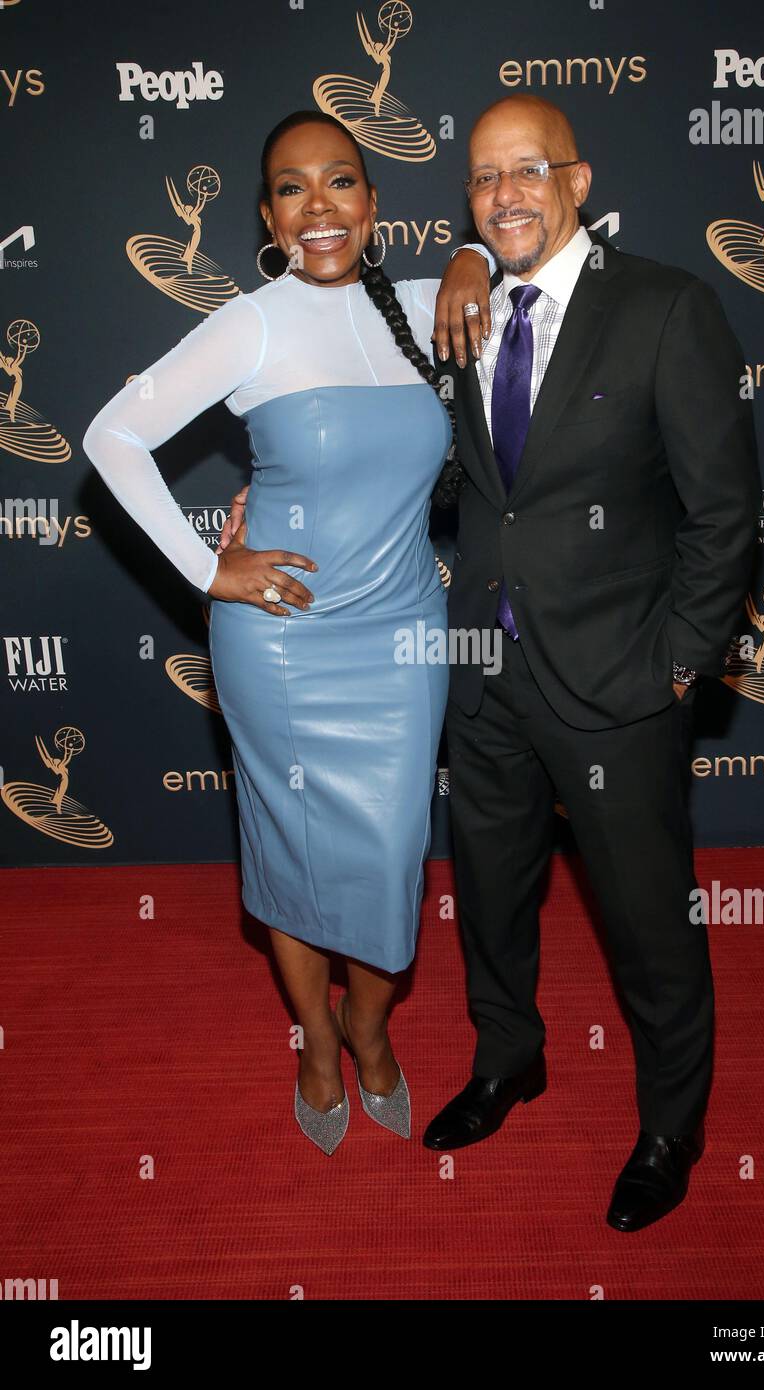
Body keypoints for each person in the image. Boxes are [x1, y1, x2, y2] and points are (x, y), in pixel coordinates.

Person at [82, 110, 492, 1156]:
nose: (320, 207)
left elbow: (528, 275)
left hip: (399, 640)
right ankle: (317, 1040)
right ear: (267, 216)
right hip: (282, 642)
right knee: (291, 856)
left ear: (371, 201)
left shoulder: (417, 310)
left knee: (394, 851)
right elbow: (111, 436)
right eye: (293, 189)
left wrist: (472, 251)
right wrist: (207, 564)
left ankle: (370, 1023)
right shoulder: (250, 323)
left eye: (341, 183)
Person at [421, 94, 762, 1233]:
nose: (504, 193)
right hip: (483, 674)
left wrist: (678, 664)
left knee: (648, 924)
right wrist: (467, 257)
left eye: (527, 171)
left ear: (577, 180)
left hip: (619, 683)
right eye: (481, 180)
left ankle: (672, 1123)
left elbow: (725, 516)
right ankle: (508, 1055)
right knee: (490, 897)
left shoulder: (667, 308)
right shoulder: (459, 309)